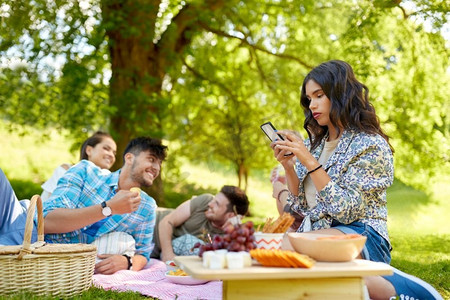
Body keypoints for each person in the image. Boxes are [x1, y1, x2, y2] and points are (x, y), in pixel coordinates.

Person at [270, 60, 442, 300]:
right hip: (321, 236)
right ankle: (384, 289)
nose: (313, 105)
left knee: (286, 247)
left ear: (339, 94)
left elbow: (347, 211)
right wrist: (289, 167)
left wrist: (308, 161)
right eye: (309, 99)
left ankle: (403, 290)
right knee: (278, 254)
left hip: (360, 234)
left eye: (319, 95)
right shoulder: (315, 147)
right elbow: (302, 209)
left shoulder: (370, 145)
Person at [43, 136, 168, 275]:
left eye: (159, 163)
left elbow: (143, 254)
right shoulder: (86, 172)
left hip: (86, 266)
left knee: (123, 240)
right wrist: (109, 208)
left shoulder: (147, 206)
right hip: (47, 254)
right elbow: (46, 222)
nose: (156, 168)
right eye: (151, 159)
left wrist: (127, 262)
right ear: (129, 158)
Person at [151, 185, 249, 262]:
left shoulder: (228, 238)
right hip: (149, 225)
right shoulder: (205, 201)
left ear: (230, 216)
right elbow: (166, 222)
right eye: (214, 200)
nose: (210, 204)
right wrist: (168, 255)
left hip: (154, 250)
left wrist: (233, 231)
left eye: (217, 204)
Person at [41, 131, 116, 201]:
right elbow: (50, 204)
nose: (111, 155)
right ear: (89, 150)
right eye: (106, 149)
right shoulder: (66, 171)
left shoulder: (109, 184)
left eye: (114, 153)